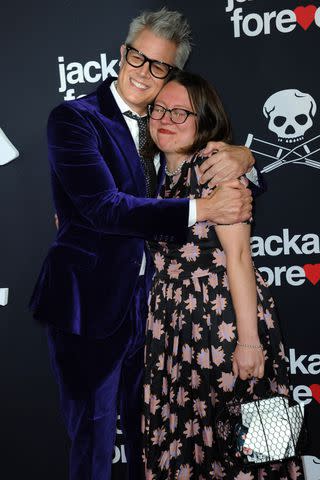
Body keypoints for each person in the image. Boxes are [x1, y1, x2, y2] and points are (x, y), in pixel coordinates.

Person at [29, 9, 260, 480]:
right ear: (123, 52)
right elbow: (104, 208)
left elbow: (225, 183)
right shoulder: (75, 119)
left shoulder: (166, 128)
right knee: (93, 444)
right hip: (87, 307)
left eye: (159, 66)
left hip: (158, 313)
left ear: (171, 74)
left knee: (154, 443)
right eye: (138, 57)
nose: (144, 72)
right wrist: (203, 210)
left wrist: (246, 158)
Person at [142, 70, 303, 479]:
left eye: (181, 112)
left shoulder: (216, 166)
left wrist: (249, 341)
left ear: (204, 120)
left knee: (256, 451)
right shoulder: (153, 175)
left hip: (224, 321)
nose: (167, 119)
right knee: (186, 449)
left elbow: (240, 259)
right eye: (160, 109)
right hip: (173, 330)